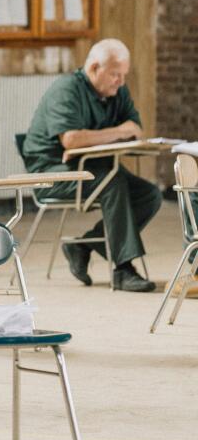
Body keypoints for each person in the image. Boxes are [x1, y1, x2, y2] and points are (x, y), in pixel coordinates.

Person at [21, 38, 160, 291]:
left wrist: (113, 133)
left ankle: (82, 246)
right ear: (95, 68)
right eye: (115, 74)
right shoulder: (66, 90)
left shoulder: (117, 91)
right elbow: (72, 140)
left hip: (94, 169)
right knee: (112, 182)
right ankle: (123, 270)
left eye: (123, 75)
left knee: (149, 195)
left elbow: (136, 130)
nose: (121, 81)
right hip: (52, 174)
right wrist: (118, 131)